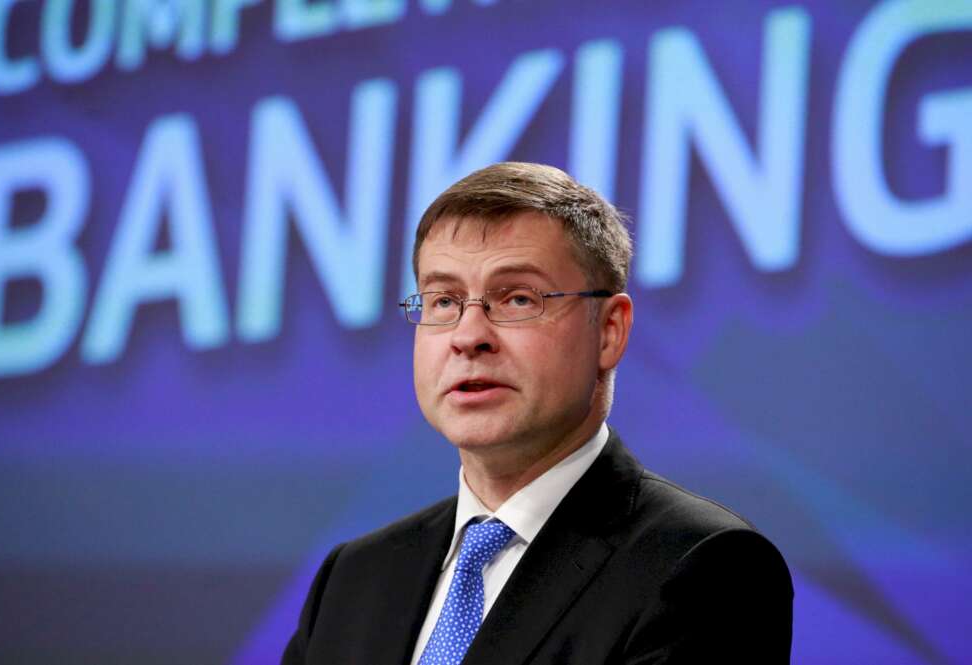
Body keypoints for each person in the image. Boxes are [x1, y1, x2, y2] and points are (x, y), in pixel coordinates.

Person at [282, 162, 793, 664]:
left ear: (609, 331)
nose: (468, 336)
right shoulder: (354, 577)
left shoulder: (704, 567)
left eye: (518, 299)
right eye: (443, 301)